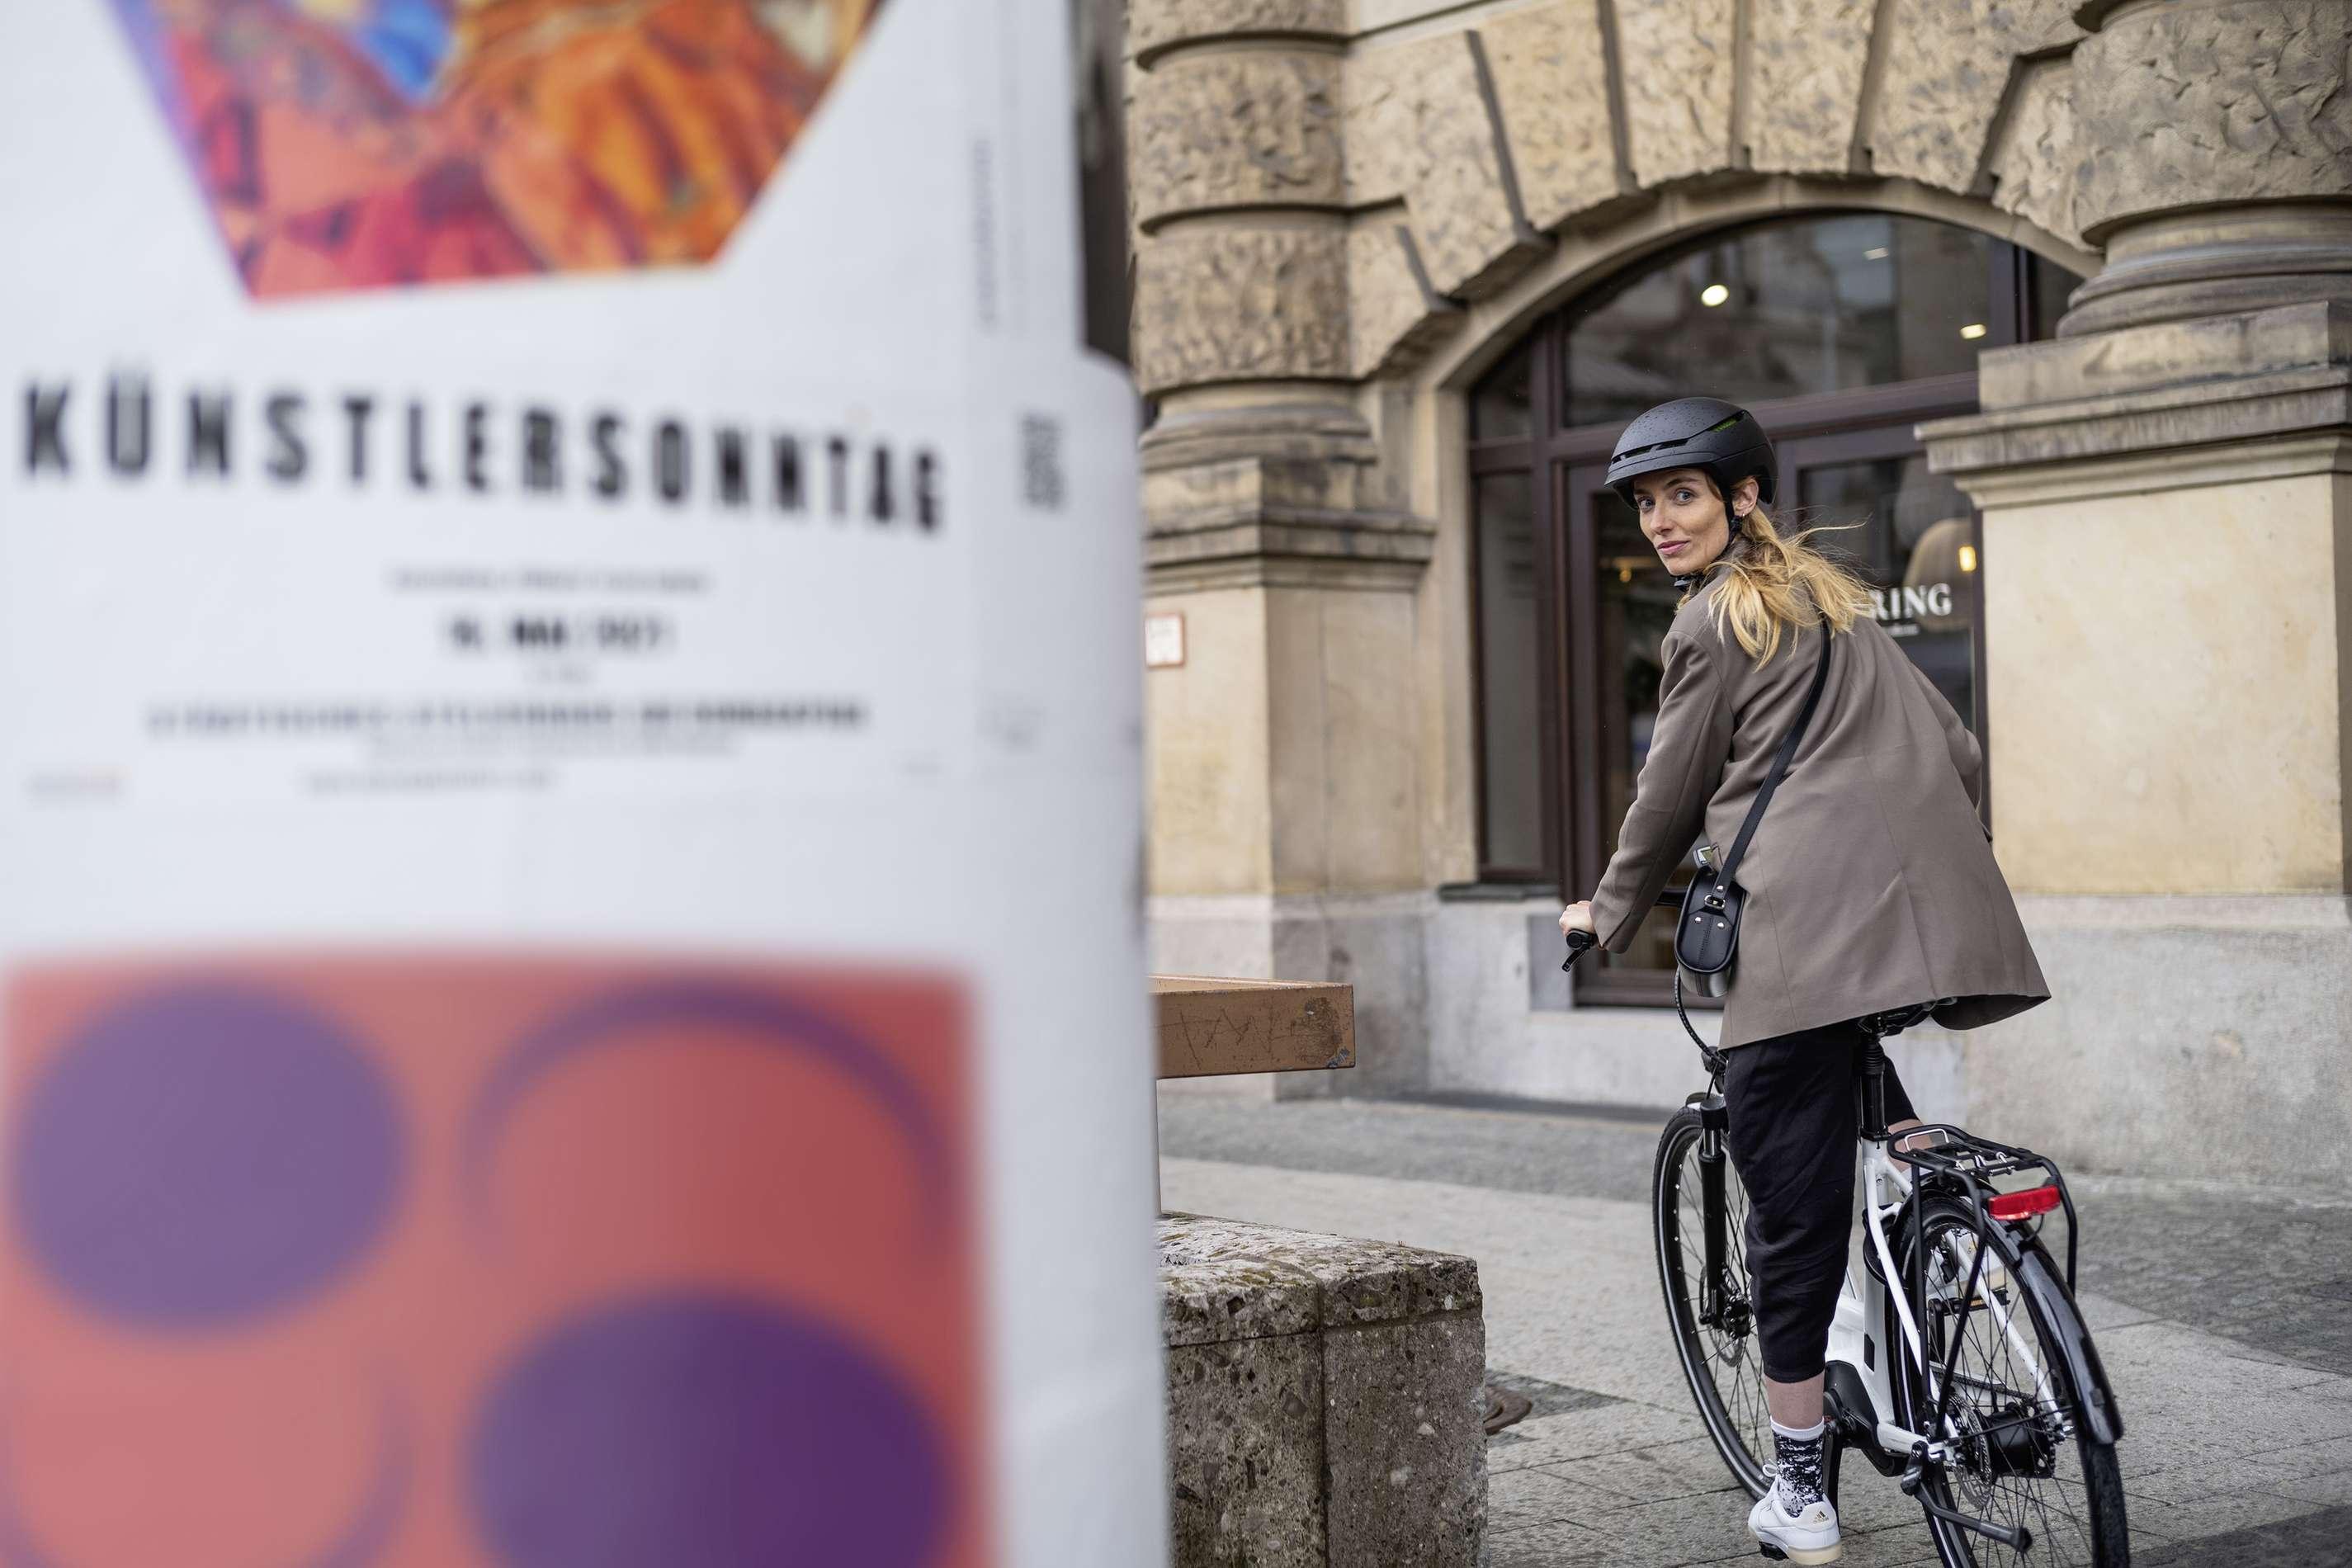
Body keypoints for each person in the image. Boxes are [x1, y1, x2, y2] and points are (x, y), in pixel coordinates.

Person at [1556, 397, 2048, 1565]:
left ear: (1741, 500)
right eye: (1644, 501)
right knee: (1873, 1107)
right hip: (1922, 912)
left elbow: (1667, 798)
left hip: (1800, 939)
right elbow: (1960, 753)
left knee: (1790, 1223)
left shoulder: (1710, 622)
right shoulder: (1839, 609)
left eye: (1681, 494)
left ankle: (1799, 1496)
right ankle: (1955, 1268)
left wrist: (1608, 910)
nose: (1659, 519)